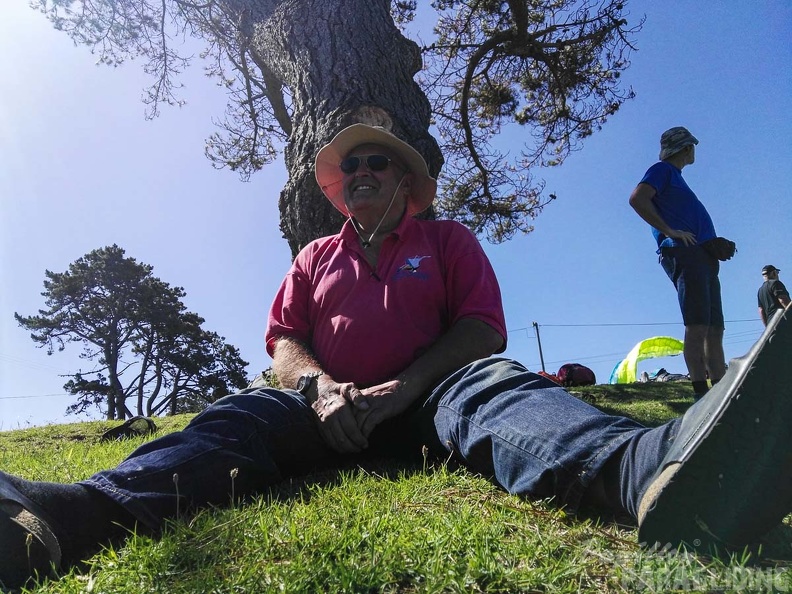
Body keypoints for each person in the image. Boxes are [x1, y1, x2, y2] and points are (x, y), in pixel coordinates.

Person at [3, 124, 791, 590]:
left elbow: (483, 330)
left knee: (493, 390)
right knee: (241, 416)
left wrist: (403, 384)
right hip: (324, 411)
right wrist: (320, 390)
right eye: (352, 168)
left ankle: (648, 472)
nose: (364, 173)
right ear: (340, 189)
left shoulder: (447, 240)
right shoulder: (313, 256)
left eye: (379, 163)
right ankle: (63, 519)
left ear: (407, 182)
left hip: (430, 395)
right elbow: (282, 339)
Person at [629, 126, 727, 398]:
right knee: (697, 326)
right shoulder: (662, 171)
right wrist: (670, 232)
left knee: (714, 328)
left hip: (702, 256)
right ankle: (701, 394)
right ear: (685, 148)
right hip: (684, 254)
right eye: (692, 146)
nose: (694, 150)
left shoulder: (677, 178)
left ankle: (720, 393)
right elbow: (638, 199)